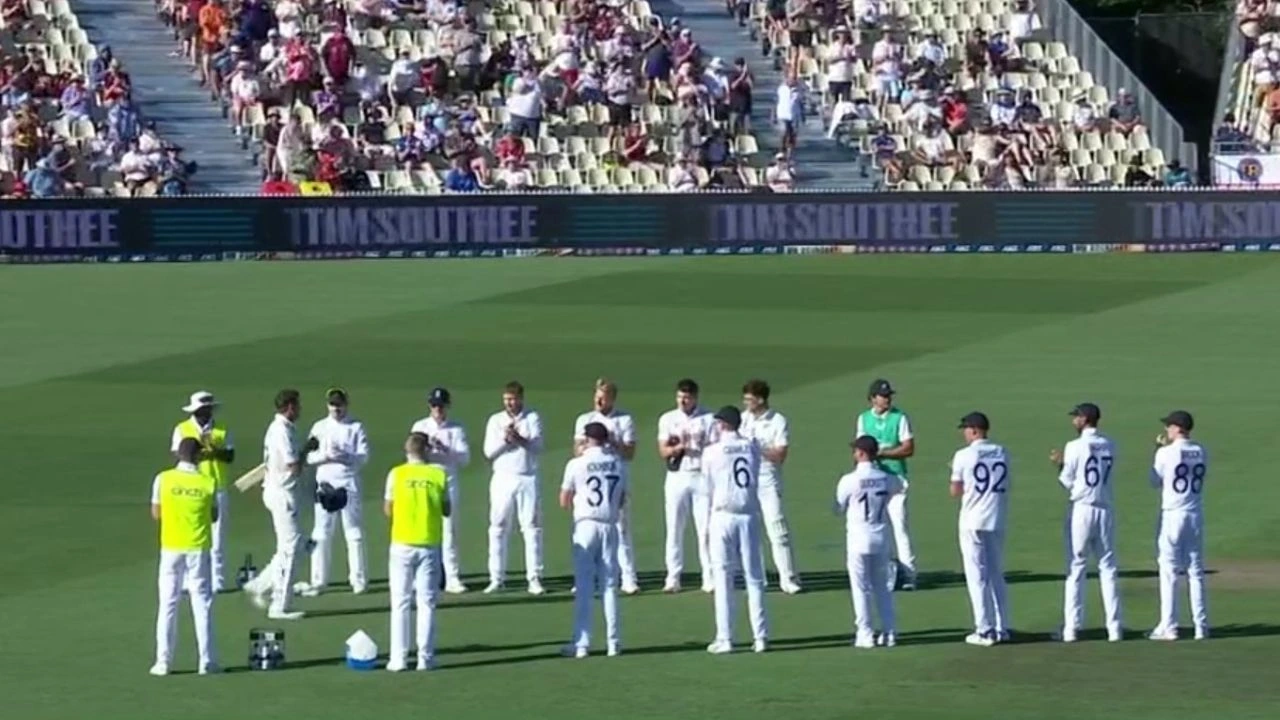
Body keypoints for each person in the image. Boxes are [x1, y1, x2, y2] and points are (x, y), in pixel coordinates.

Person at [1050, 402, 1122, 643]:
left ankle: (1071, 629)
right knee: (1108, 568)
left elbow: (1069, 480)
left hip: (1081, 509)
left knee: (1076, 568)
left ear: (1084, 419)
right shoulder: (1110, 444)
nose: (1073, 421)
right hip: (1105, 509)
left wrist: (1060, 465)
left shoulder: (1074, 446)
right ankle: (1114, 629)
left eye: (1076, 417)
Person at [150, 437, 220, 676]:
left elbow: (156, 513)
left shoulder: (163, 479)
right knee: (202, 604)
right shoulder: (208, 482)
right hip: (197, 547)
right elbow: (214, 516)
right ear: (199, 456)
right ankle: (207, 661)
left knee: (168, 604)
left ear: (178, 455)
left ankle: (163, 662)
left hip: (171, 546)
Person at [560, 422, 629, 658]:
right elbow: (621, 500)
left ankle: (582, 644)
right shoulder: (618, 464)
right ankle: (614, 642)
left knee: (584, 586)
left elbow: (564, 500)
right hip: (610, 526)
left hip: (586, 525)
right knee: (609, 585)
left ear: (587, 439)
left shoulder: (576, 464)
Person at [702, 406, 768, 654]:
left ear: (721, 425)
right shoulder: (752, 447)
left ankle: (725, 638)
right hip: (749, 514)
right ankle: (760, 637)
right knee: (754, 578)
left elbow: (708, 486)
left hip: (723, 515)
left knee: (723, 577)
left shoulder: (711, 452)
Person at [384, 432, 450, 671]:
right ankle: (426, 657)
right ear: (428, 451)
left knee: (400, 601)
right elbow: (447, 508)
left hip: (402, 541)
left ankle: (398, 659)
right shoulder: (438, 474)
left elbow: (388, 509)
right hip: (429, 542)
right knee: (427, 602)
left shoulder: (397, 474)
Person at [296, 388, 370, 597]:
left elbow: (364, 456)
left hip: (348, 483)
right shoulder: (319, 427)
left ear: (346, 404)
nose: (336, 408)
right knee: (321, 532)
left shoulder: (356, 427)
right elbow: (307, 458)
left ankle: (358, 580)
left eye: (339, 404)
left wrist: (345, 456)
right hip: (325, 484)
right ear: (327, 405)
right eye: (332, 405)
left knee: (353, 532)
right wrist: (325, 456)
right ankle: (318, 581)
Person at [242, 389, 308, 620]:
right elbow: (294, 466)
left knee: (290, 546)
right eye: (297, 405)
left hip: (277, 490)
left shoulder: (279, 428)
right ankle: (279, 604)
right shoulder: (282, 431)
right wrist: (308, 450)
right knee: (291, 547)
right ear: (289, 407)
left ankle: (259, 585)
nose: (299, 410)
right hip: (282, 493)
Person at [834, 435, 903, 648]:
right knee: (882, 586)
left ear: (861, 453)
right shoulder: (886, 478)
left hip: (857, 538)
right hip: (880, 536)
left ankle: (865, 633)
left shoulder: (849, 480)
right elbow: (898, 487)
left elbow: (837, 508)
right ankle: (890, 632)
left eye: (855, 451)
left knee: (860, 587)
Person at [949, 412, 1012, 647]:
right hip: (996, 518)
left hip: (972, 520)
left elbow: (955, 491)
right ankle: (1002, 627)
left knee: (976, 575)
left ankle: (984, 629)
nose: (964, 433)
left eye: (965, 429)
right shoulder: (1003, 452)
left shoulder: (963, 455)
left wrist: (957, 474)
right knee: (996, 573)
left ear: (974, 430)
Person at [572, 378, 639, 595]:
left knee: (622, 527)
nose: (599, 400)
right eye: (597, 395)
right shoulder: (585, 419)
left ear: (612, 398)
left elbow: (630, 452)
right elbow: (577, 449)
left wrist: (612, 441)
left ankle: (628, 577)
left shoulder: (624, 419)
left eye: (603, 396)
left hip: (615, 477)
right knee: (586, 528)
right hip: (591, 478)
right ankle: (587, 577)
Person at [1149, 411, 1210, 641]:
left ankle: (1169, 627)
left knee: (1169, 570)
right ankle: (1201, 626)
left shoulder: (1166, 452)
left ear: (1177, 428)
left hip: (1173, 514)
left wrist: (1157, 451)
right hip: (1194, 513)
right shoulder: (1202, 451)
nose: (1167, 430)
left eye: (1169, 426)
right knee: (1195, 570)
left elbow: (1154, 481)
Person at [481, 381, 545, 595]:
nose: (510, 403)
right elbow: (488, 452)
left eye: (513, 399)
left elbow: (538, 446)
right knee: (498, 526)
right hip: (502, 477)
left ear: (521, 398)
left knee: (531, 527)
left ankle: (534, 578)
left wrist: (519, 439)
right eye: (506, 399)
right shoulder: (495, 420)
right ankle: (496, 577)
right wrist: (505, 441)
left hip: (527, 477)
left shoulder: (532, 418)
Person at [854, 379, 918, 589]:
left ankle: (909, 574)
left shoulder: (899, 418)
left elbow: (908, 448)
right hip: (873, 482)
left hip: (896, 478)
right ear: (872, 398)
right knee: (877, 527)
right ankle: (885, 572)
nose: (887, 399)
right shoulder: (863, 419)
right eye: (883, 396)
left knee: (899, 526)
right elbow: (860, 449)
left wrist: (883, 453)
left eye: (889, 395)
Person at [739, 379, 800, 594]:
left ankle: (788, 577)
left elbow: (780, 454)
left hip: (768, 479)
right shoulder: (742, 419)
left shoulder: (777, 421)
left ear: (761, 399)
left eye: (749, 399)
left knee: (777, 528)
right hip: (746, 481)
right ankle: (757, 577)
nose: (746, 402)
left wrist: (757, 449)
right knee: (750, 531)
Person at [657, 378, 718, 593]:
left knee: (706, 529)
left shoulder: (709, 418)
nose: (683, 401)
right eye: (680, 396)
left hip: (701, 476)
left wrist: (698, 449)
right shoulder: (668, 419)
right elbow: (662, 450)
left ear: (695, 398)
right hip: (677, 476)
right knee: (674, 527)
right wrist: (679, 448)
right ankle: (673, 576)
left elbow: (715, 449)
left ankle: (709, 576)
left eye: (687, 397)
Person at [170, 391, 234, 592]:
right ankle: (190, 579)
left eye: (207, 410)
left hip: (217, 486)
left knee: (218, 537)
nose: (205, 414)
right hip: (190, 487)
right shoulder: (182, 429)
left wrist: (214, 450)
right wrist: (196, 451)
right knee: (192, 533)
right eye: (201, 410)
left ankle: (218, 579)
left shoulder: (222, 429)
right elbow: (177, 454)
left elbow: (230, 455)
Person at [410, 387, 471, 594]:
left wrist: (445, 448)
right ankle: (422, 577)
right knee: (424, 528)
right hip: (423, 481)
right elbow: (412, 453)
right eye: (434, 405)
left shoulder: (456, 429)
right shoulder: (420, 426)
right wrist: (427, 449)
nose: (438, 409)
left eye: (441, 405)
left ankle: (452, 577)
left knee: (449, 530)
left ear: (447, 406)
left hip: (447, 481)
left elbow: (464, 458)